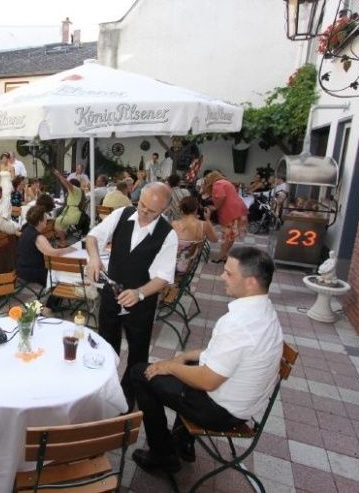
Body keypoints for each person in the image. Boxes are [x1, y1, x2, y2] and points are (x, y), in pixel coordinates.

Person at [129, 247, 283, 474]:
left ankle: (162, 456)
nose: (222, 277)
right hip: (241, 402)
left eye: (229, 274)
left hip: (221, 412)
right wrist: (186, 356)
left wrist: (170, 366)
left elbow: (208, 381)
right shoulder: (264, 311)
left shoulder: (239, 323)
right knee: (184, 365)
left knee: (141, 373)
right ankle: (183, 442)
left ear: (251, 282)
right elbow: (224, 355)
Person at [85, 182, 178, 410]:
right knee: (105, 343)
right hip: (111, 294)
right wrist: (94, 258)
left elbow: (163, 277)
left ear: (164, 210)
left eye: (151, 210)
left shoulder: (168, 235)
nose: (143, 212)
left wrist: (139, 293)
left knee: (138, 351)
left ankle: (129, 396)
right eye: (142, 205)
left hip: (141, 301)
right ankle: (102, 387)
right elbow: (92, 237)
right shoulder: (122, 214)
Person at [16, 205, 74, 287]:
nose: (47, 218)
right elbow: (53, 254)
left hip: (21, 268)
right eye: (45, 216)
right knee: (64, 274)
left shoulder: (26, 229)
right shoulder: (38, 237)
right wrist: (70, 249)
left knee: (60, 271)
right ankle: (55, 297)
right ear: (40, 221)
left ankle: (55, 297)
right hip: (33, 272)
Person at [203, 171, 247, 263]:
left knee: (226, 236)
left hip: (230, 212)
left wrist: (215, 207)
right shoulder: (225, 182)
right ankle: (224, 255)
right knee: (230, 236)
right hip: (237, 211)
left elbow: (220, 196)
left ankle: (220, 257)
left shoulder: (217, 184)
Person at [172, 196, 218, 274]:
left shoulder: (174, 224)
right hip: (189, 267)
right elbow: (215, 239)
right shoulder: (203, 225)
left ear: (182, 210)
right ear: (196, 209)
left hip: (172, 266)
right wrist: (207, 219)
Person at [53, 169, 85, 241]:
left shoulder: (76, 190)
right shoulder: (75, 192)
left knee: (56, 222)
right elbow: (65, 183)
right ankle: (64, 238)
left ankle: (63, 241)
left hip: (72, 215)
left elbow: (66, 183)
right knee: (60, 223)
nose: (67, 186)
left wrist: (59, 175)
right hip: (71, 213)